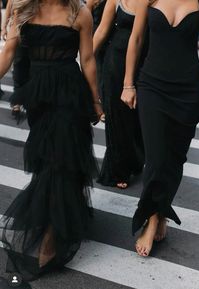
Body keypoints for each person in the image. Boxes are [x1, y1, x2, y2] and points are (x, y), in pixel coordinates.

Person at [0, 0, 103, 281]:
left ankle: (51, 239)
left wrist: (95, 102)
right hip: (39, 96)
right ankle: (59, 215)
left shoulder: (79, 12)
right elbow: (9, 51)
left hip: (70, 93)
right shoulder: (24, 10)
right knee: (47, 158)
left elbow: (88, 59)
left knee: (61, 159)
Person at [121, 0, 199, 256]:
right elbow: (135, 39)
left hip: (188, 91)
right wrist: (127, 84)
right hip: (152, 86)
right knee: (156, 158)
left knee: (174, 160)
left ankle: (159, 211)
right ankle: (152, 218)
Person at [93, 0, 144, 189]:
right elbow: (101, 31)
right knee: (117, 117)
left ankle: (135, 159)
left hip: (145, 64)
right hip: (115, 64)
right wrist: (84, 61)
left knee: (137, 118)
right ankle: (117, 169)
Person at [1, 0, 31, 120]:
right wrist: (4, 28)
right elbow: (10, 6)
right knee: (18, 67)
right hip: (20, 35)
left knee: (30, 69)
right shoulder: (20, 7)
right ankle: (17, 102)